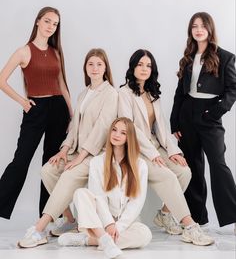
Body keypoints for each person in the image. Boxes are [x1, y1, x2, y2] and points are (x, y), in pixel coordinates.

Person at [18, 48, 118, 248]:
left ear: (106, 68)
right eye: (90, 64)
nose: (95, 68)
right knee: (48, 170)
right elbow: (73, 128)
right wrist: (64, 150)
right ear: (85, 68)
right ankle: (70, 220)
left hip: (95, 154)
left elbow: (101, 129)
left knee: (68, 174)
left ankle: (39, 229)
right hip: (75, 151)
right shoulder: (83, 94)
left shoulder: (110, 93)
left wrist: (80, 158)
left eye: (99, 64)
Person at [118, 49, 214, 245]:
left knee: (184, 171)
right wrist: (153, 155)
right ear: (132, 67)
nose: (144, 69)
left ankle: (164, 214)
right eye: (140, 65)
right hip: (137, 148)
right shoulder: (123, 93)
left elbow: (161, 126)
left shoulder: (152, 93)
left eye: (148, 65)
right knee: (168, 176)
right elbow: (131, 129)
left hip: (154, 144)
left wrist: (173, 151)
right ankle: (190, 226)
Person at [0, 6, 72, 218]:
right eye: (48, 21)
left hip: (58, 109)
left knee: (51, 163)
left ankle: (49, 216)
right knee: (21, 160)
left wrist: (72, 114)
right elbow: (1, 80)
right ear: (38, 22)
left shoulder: (55, 52)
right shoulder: (24, 51)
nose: (51, 27)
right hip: (36, 109)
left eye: (55, 24)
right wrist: (22, 101)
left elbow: (61, 84)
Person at [170, 12, 236, 230]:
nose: (198, 30)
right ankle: (197, 219)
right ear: (191, 30)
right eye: (194, 26)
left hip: (210, 114)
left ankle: (233, 218)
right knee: (193, 167)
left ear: (210, 29)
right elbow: (180, 92)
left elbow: (232, 90)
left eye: (203, 26)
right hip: (187, 114)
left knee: (218, 165)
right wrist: (175, 122)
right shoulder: (188, 57)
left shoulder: (225, 56)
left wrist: (215, 112)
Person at [57, 117, 152, 258]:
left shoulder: (140, 165)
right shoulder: (97, 162)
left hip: (126, 224)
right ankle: (106, 241)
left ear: (129, 137)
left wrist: (117, 227)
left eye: (123, 133)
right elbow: (98, 197)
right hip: (100, 221)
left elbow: (137, 202)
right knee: (80, 193)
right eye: (114, 130)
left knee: (145, 235)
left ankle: (90, 240)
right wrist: (108, 225)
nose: (116, 134)